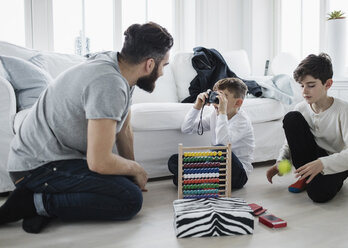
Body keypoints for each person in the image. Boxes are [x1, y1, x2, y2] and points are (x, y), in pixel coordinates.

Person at [0, 22, 173, 233]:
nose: (163, 73)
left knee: (124, 181)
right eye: (163, 65)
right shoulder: (109, 84)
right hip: (34, 166)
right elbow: (99, 162)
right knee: (129, 200)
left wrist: (131, 173)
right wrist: (136, 169)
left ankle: (43, 204)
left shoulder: (119, 67)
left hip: (54, 158)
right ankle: (33, 203)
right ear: (149, 64)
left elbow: (124, 129)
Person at [266, 53, 348, 203]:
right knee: (291, 118)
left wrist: (323, 163)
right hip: (310, 159)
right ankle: (307, 177)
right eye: (302, 86)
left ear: (328, 84)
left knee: (318, 195)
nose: (304, 91)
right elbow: (289, 144)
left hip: (334, 163)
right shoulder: (301, 108)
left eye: (311, 85)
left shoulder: (342, 109)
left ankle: (314, 180)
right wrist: (281, 161)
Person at [168, 77, 255, 189]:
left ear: (238, 103)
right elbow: (186, 128)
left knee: (220, 149)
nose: (217, 101)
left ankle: (197, 180)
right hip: (216, 166)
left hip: (237, 173)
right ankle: (203, 180)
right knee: (175, 160)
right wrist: (197, 106)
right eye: (216, 95)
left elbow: (222, 144)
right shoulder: (215, 115)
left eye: (223, 97)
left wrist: (222, 113)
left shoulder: (242, 121)